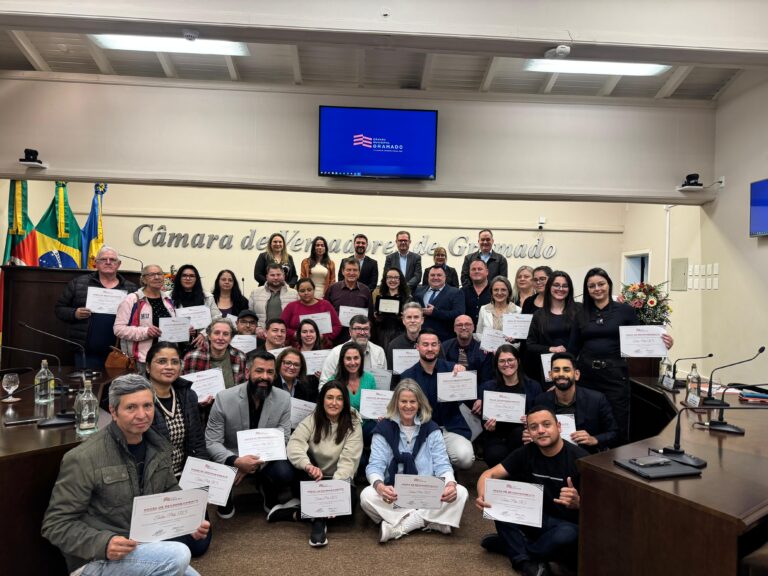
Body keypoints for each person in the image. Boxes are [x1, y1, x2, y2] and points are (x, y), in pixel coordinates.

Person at [42, 374, 210, 576]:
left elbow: (169, 490)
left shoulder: (158, 447)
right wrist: (103, 543)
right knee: (178, 555)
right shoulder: (83, 458)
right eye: (131, 407)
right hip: (96, 560)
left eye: (147, 406)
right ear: (113, 412)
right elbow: (55, 524)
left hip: (144, 549)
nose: (142, 415)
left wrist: (187, 521)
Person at [476, 406, 587, 576]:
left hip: (564, 525)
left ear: (559, 427)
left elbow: (603, 509)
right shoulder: (526, 452)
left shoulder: (580, 459)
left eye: (546, 424)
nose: (541, 431)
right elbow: (489, 474)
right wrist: (483, 495)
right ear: (528, 431)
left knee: (567, 536)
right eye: (534, 427)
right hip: (533, 517)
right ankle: (525, 557)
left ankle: (514, 548)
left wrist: (579, 503)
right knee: (497, 500)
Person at [361, 379, 468, 542]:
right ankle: (434, 522)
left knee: (460, 492)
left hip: (428, 492)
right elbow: (375, 465)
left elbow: (442, 464)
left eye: (413, 401)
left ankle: (402, 527)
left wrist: (450, 485)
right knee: (366, 495)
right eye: (403, 401)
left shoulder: (431, 428)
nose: (408, 406)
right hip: (396, 493)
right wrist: (380, 486)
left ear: (419, 403)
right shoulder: (383, 429)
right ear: (396, 403)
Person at [575, 267, 672, 444]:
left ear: (609, 285)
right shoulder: (580, 313)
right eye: (592, 286)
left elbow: (639, 340)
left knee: (617, 420)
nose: (597, 288)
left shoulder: (625, 311)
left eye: (601, 284)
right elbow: (573, 346)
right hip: (587, 376)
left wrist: (662, 344)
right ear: (586, 289)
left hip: (615, 376)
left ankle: (616, 463)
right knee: (588, 420)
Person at [205, 350, 294, 519]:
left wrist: (251, 465)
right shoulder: (224, 398)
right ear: (247, 372)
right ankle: (226, 497)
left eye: (270, 372)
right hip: (232, 453)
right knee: (214, 460)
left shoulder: (283, 398)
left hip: (266, 457)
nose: (265, 377)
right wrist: (237, 461)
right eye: (259, 371)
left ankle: (266, 485)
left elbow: (283, 438)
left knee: (285, 472)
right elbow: (212, 441)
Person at [285, 381, 363, 546]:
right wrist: (307, 465)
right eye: (329, 398)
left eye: (339, 398)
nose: (334, 403)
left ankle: (297, 514)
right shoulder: (312, 419)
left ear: (345, 402)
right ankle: (319, 521)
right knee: (296, 472)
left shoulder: (354, 423)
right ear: (322, 400)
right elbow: (294, 444)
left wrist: (333, 493)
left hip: (339, 479)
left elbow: (349, 460)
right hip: (313, 477)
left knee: (349, 508)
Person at [400, 330, 474, 469]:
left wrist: (464, 378)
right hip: (421, 429)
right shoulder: (407, 377)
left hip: (450, 428)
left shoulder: (453, 370)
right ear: (417, 347)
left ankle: (447, 466)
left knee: (465, 458)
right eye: (425, 344)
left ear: (439, 346)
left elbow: (469, 400)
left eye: (434, 344)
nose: (430, 348)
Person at [54, 245, 138, 368]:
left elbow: (138, 317)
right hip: (87, 352)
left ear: (119, 264)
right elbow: (59, 309)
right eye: (103, 259)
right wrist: (74, 313)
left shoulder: (131, 288)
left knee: (118, 386)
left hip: (121, 352)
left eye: (112, 260)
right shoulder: (78, 283)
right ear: (96, 263)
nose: (108, 262)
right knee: (88, 385)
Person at [533, 352, 618, 452]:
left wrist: (594, 439)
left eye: (566, 369)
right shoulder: (541, 400)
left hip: (585, 457)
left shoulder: (596, 399)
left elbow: (614, 433)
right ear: (550, 375)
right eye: (556, 370)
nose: (561, 374)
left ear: (576, 374)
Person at [148, 341, 210, 473]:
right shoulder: (138, 399)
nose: (169, 367)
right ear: (148, 367)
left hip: (185, 474)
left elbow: (198, 441)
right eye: (162, 361)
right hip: (153, 478)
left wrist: (200, 474)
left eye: (175, 362)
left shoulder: (188, 395)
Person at [477, 345, 542, 467]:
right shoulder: (487, 387)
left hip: (523, 435)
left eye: (510, 360)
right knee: (495, 455)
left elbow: (540, 415)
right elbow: (484, 422)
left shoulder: (533, 386)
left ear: (518, 361)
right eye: (501, 361)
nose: (506, 364)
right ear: (497, 364)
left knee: (520, 440)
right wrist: (488, 426)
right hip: (496, 435)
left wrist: (530, 420)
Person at [114, 264, 175, 374]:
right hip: (142, 360)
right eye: (151, 274)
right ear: (144, 279)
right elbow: (118, 329)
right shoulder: (132, 299)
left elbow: (172, 325)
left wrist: (183, 329)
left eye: (159, 274)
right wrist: (146, 331)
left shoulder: (168, 299)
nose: (157, 277)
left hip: (166, 358)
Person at [525, 271, 580, 383]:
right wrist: (551, 349)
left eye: (565, 286)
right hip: (549, 369)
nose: (560, 289)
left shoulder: (579, 310)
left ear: (569, 289)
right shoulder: (539, 315)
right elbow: (530, 345)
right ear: (549, 287)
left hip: (576, 368)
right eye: (556, 285)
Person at [183, 318, 247, 391]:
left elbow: (241, 389)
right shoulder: (192, 357)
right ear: (209, 336)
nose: (220, 338)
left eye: (226, 334)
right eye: (216, 333)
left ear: (231, 338)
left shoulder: (240, 357)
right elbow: (185, 390)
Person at [319, 315, 387, 385]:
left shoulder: (379, 352)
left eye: (366, 329)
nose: (362, 333)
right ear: (350, 331)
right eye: (358, 329)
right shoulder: (336, 352)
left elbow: (383, 383)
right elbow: (324, 382)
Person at [334, 341, 377, 448]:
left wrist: (378, 415)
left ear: (361, 359)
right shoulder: (334, 382)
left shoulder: (370, 379)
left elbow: (373, 408)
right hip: (342, 429)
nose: (353, 362)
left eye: (356, 358)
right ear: (342, 360)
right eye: (348, 358)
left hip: (365, 429)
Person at [171, 264, 222, 352]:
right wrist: (181, 330)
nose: (188, 278)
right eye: (184, 276)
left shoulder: (207, 297)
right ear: (179, 278)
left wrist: (204, 334)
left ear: (196, 279)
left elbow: (217, 319)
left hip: (201, 344)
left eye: (192, 276)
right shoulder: (168, 297)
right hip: (175, 345)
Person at [280, 277, 341, 348]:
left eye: (309, 290)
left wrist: (323, 336)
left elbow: (337, 326)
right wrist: (295, 334)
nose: (306, 293)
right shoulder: (291, 306)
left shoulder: (325, 305)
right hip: (297, 348)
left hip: (322, 347)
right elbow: (281, 327)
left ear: (314, 290)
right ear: (298, 292)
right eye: (302, 291)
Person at [326, 258, 372, 345]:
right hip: (337, 337)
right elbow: (326, 313)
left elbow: (369, 316)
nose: (351, 273)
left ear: (359, 273)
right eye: (348, 270)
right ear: (343, 271)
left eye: (355, 270)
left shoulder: (365, 290)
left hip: (358, 337)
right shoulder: (333, 289)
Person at [414, 266, 465, 342]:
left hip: (444, 340)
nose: (435, 277)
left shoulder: (456, 292)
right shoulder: (418, 291)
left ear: (445, 277)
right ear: (428, 277)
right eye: (432, 275)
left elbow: (459, 314)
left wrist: (435, 312)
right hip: (420, 339)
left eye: (439, 275)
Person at [248, 263, 298, 339]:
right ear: (267, 277)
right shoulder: (255, 293)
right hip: (262, 337)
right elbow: (250, 316)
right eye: (272, 275)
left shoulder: (294, 294)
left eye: (278, 275)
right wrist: (257, 328)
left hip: (286, 338)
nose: (275, 277)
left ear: (284, 276)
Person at [441, 314, 493, 384]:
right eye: (459, 325)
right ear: (454, 329)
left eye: (467, 324)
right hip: (450, 388)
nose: (464, 327)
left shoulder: (483, 351)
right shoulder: (444, 347)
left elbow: (486, 381)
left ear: (473, 327)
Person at [371, 267, 412, 351]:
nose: (392, 280)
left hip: (400, 334)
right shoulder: (379, 297)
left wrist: (404, 318)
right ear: (385, 280)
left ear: (400, 280)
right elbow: (375, 321)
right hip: (381, 335)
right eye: (389, 277)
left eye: (396, 277)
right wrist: (376, 317)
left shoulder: (408, 299)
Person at [385, 302, 425, 370]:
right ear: (403, 320)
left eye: (416, 317)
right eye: (409, 317)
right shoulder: (394, 345)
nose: (412, 321)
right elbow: (391, 374)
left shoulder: (432, 344)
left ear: (422, 320)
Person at [462, 259, 491, 328]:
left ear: (487, 272)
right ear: (469, 273)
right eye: (473, 269)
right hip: (467, 334)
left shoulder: (495, 291)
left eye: (480, 269)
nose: (476, 271)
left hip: (489, 335)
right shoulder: (462, 292)